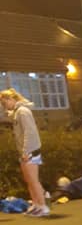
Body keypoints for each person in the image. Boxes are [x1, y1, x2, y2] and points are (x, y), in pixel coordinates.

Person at [0, 88, 49, 216]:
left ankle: (43, 206)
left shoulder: (23, 111)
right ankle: (36, 204)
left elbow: (30, 132)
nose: (5, 106)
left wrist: (26, 151)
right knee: (29, 180)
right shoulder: (17, 112)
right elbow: (5, 116)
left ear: (11, 99)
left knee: (33, 180)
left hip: (30, 150)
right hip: (25, 151)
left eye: (5, 103)